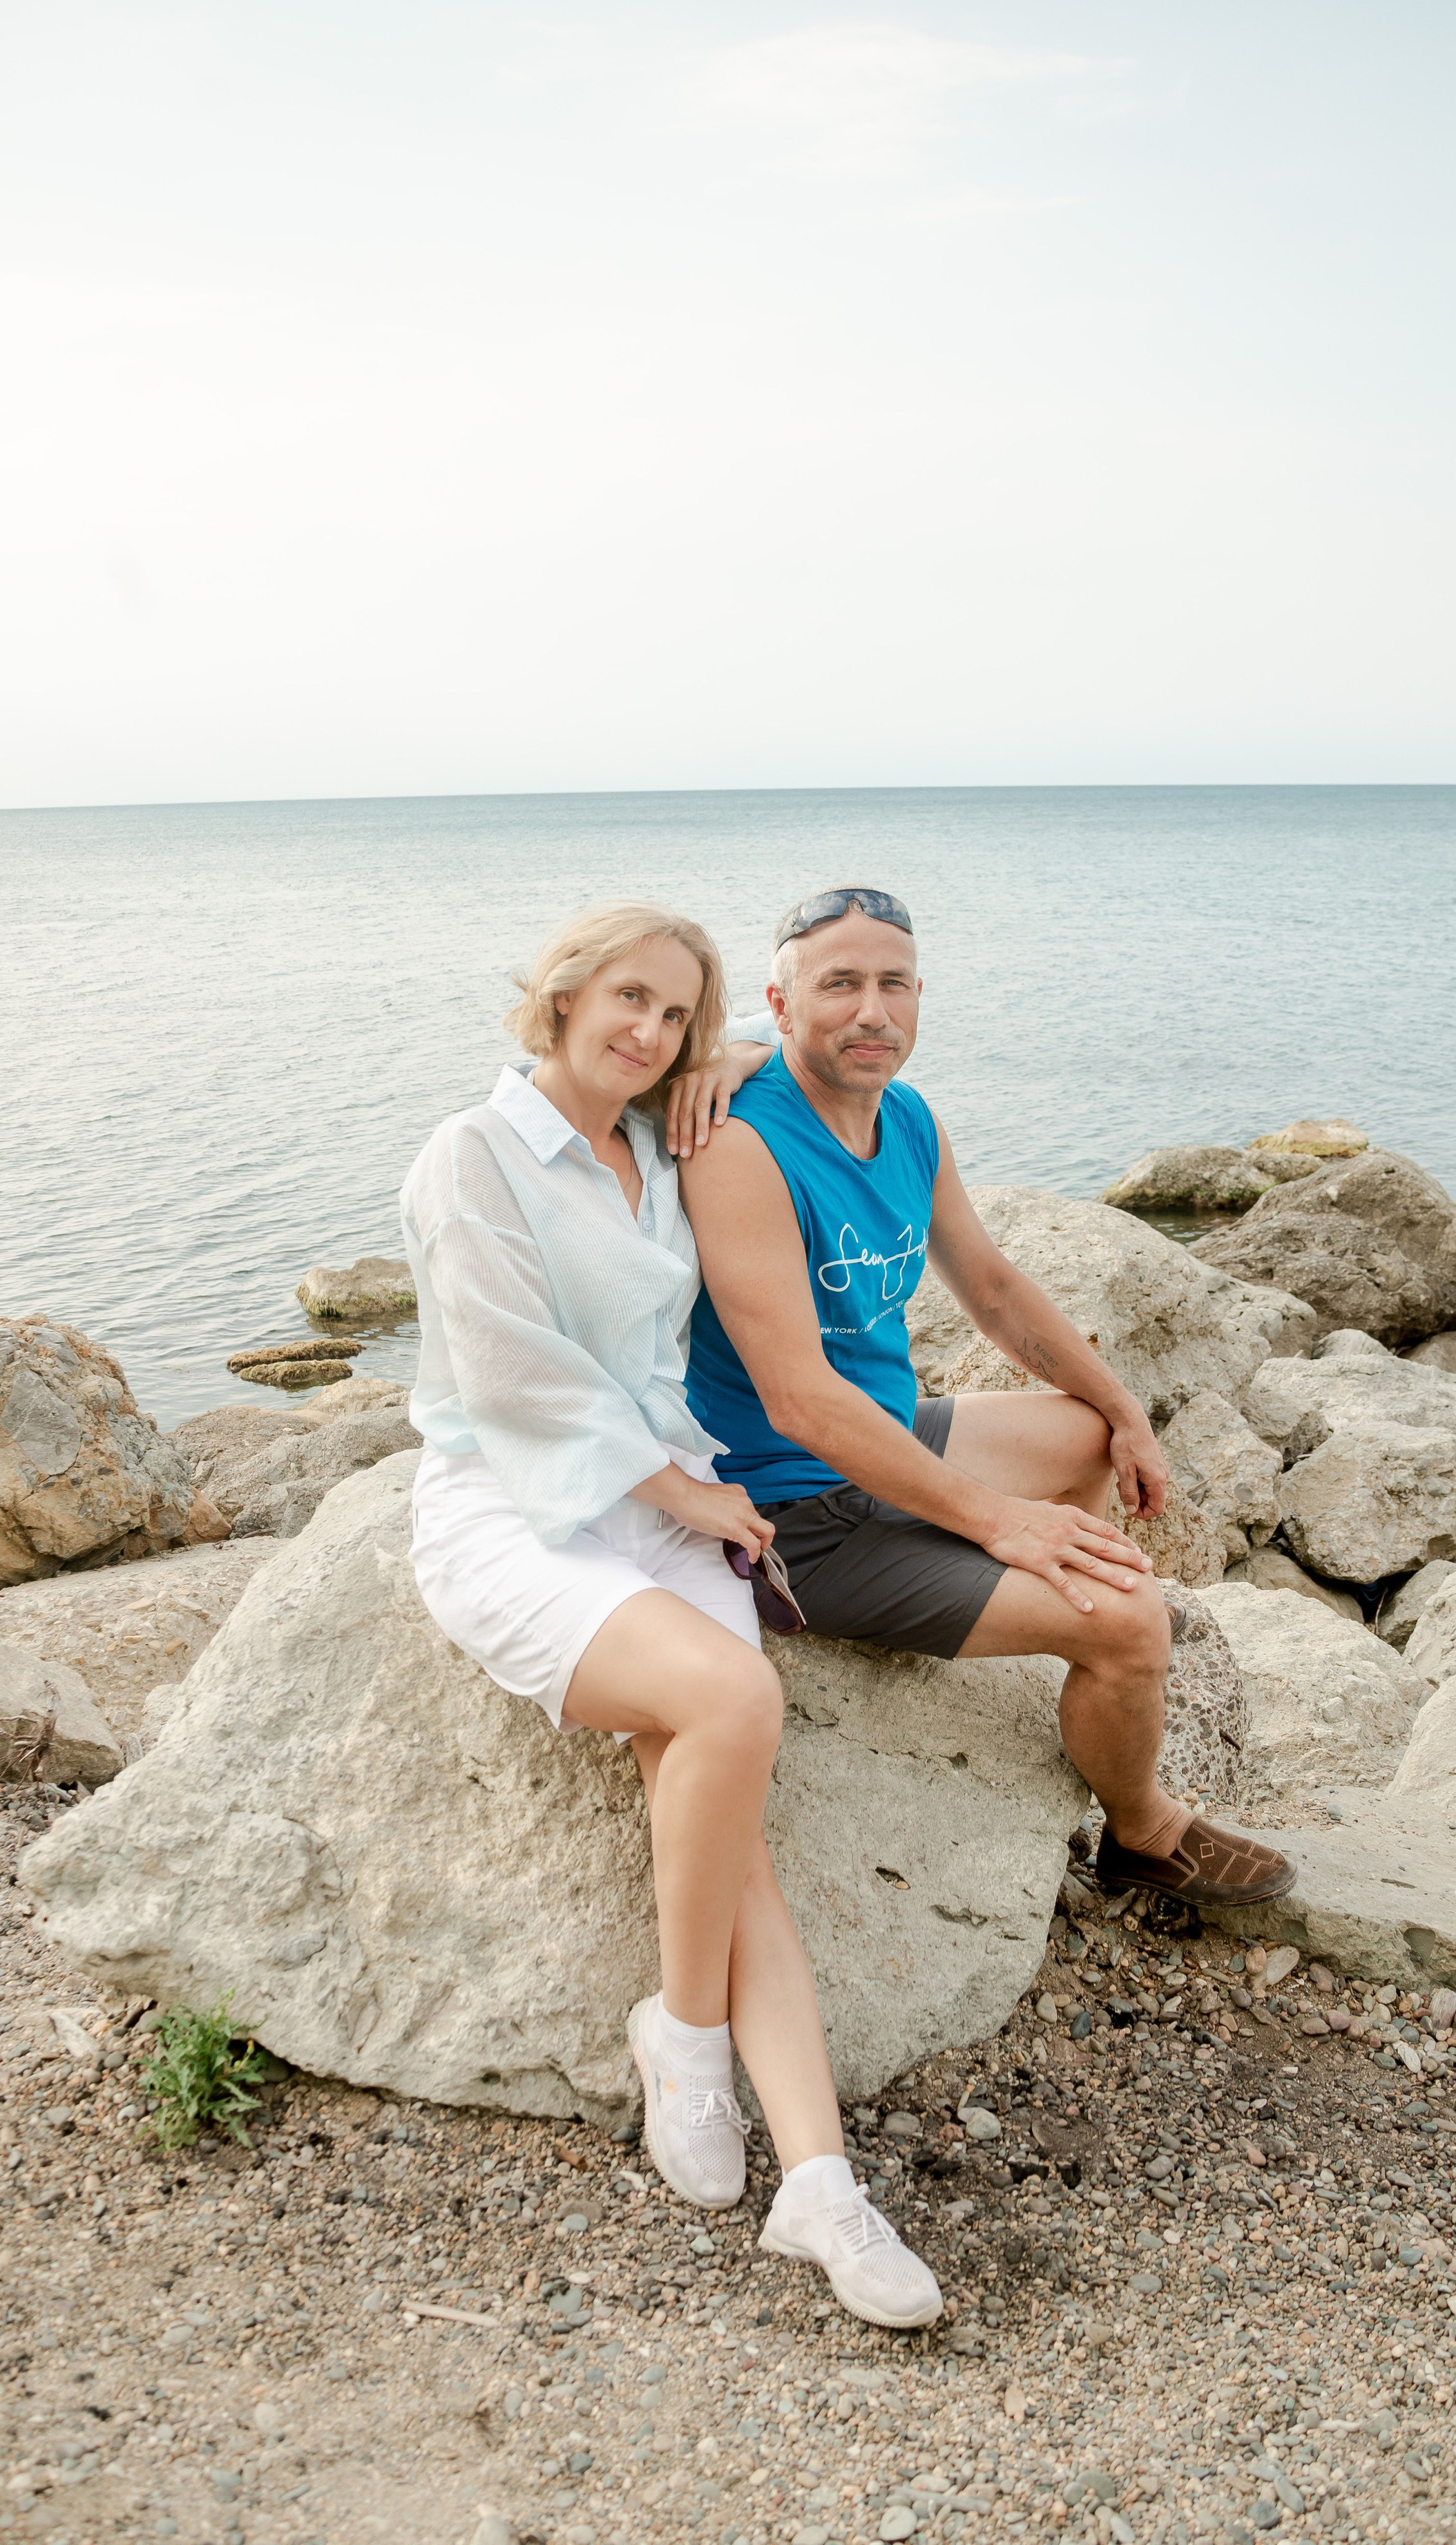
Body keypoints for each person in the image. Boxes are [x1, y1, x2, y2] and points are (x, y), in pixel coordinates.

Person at [399, 901, 944, 2330]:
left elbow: (812, 1035)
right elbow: (510, 1374)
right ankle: (682, 2037)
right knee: (733, 1700)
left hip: (663, 1503)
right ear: (563, 993)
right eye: (625, 1001)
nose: (645, 1032)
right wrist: (682, 1494)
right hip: (520, 1509)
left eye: (672, 1018)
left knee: (723, 1818)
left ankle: (821, 2188)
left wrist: (741, 1042)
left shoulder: (656, 1141)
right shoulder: (472, 1155)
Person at [682, 886, 1296, 1911]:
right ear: (780, 1009)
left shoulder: (910, 1118)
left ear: (920, 998)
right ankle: (1143, 1833)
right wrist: (1002, 1524)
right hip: (794, 1515)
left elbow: (997, 1289)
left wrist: (1128, 1411)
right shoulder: (744, 1146)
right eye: (839, 985)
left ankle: (1051, 1616)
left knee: (1085, 1436)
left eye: (892, 984)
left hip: (889, 1445)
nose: (870, 1011)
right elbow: (798, 1402)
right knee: (1134, 1620)